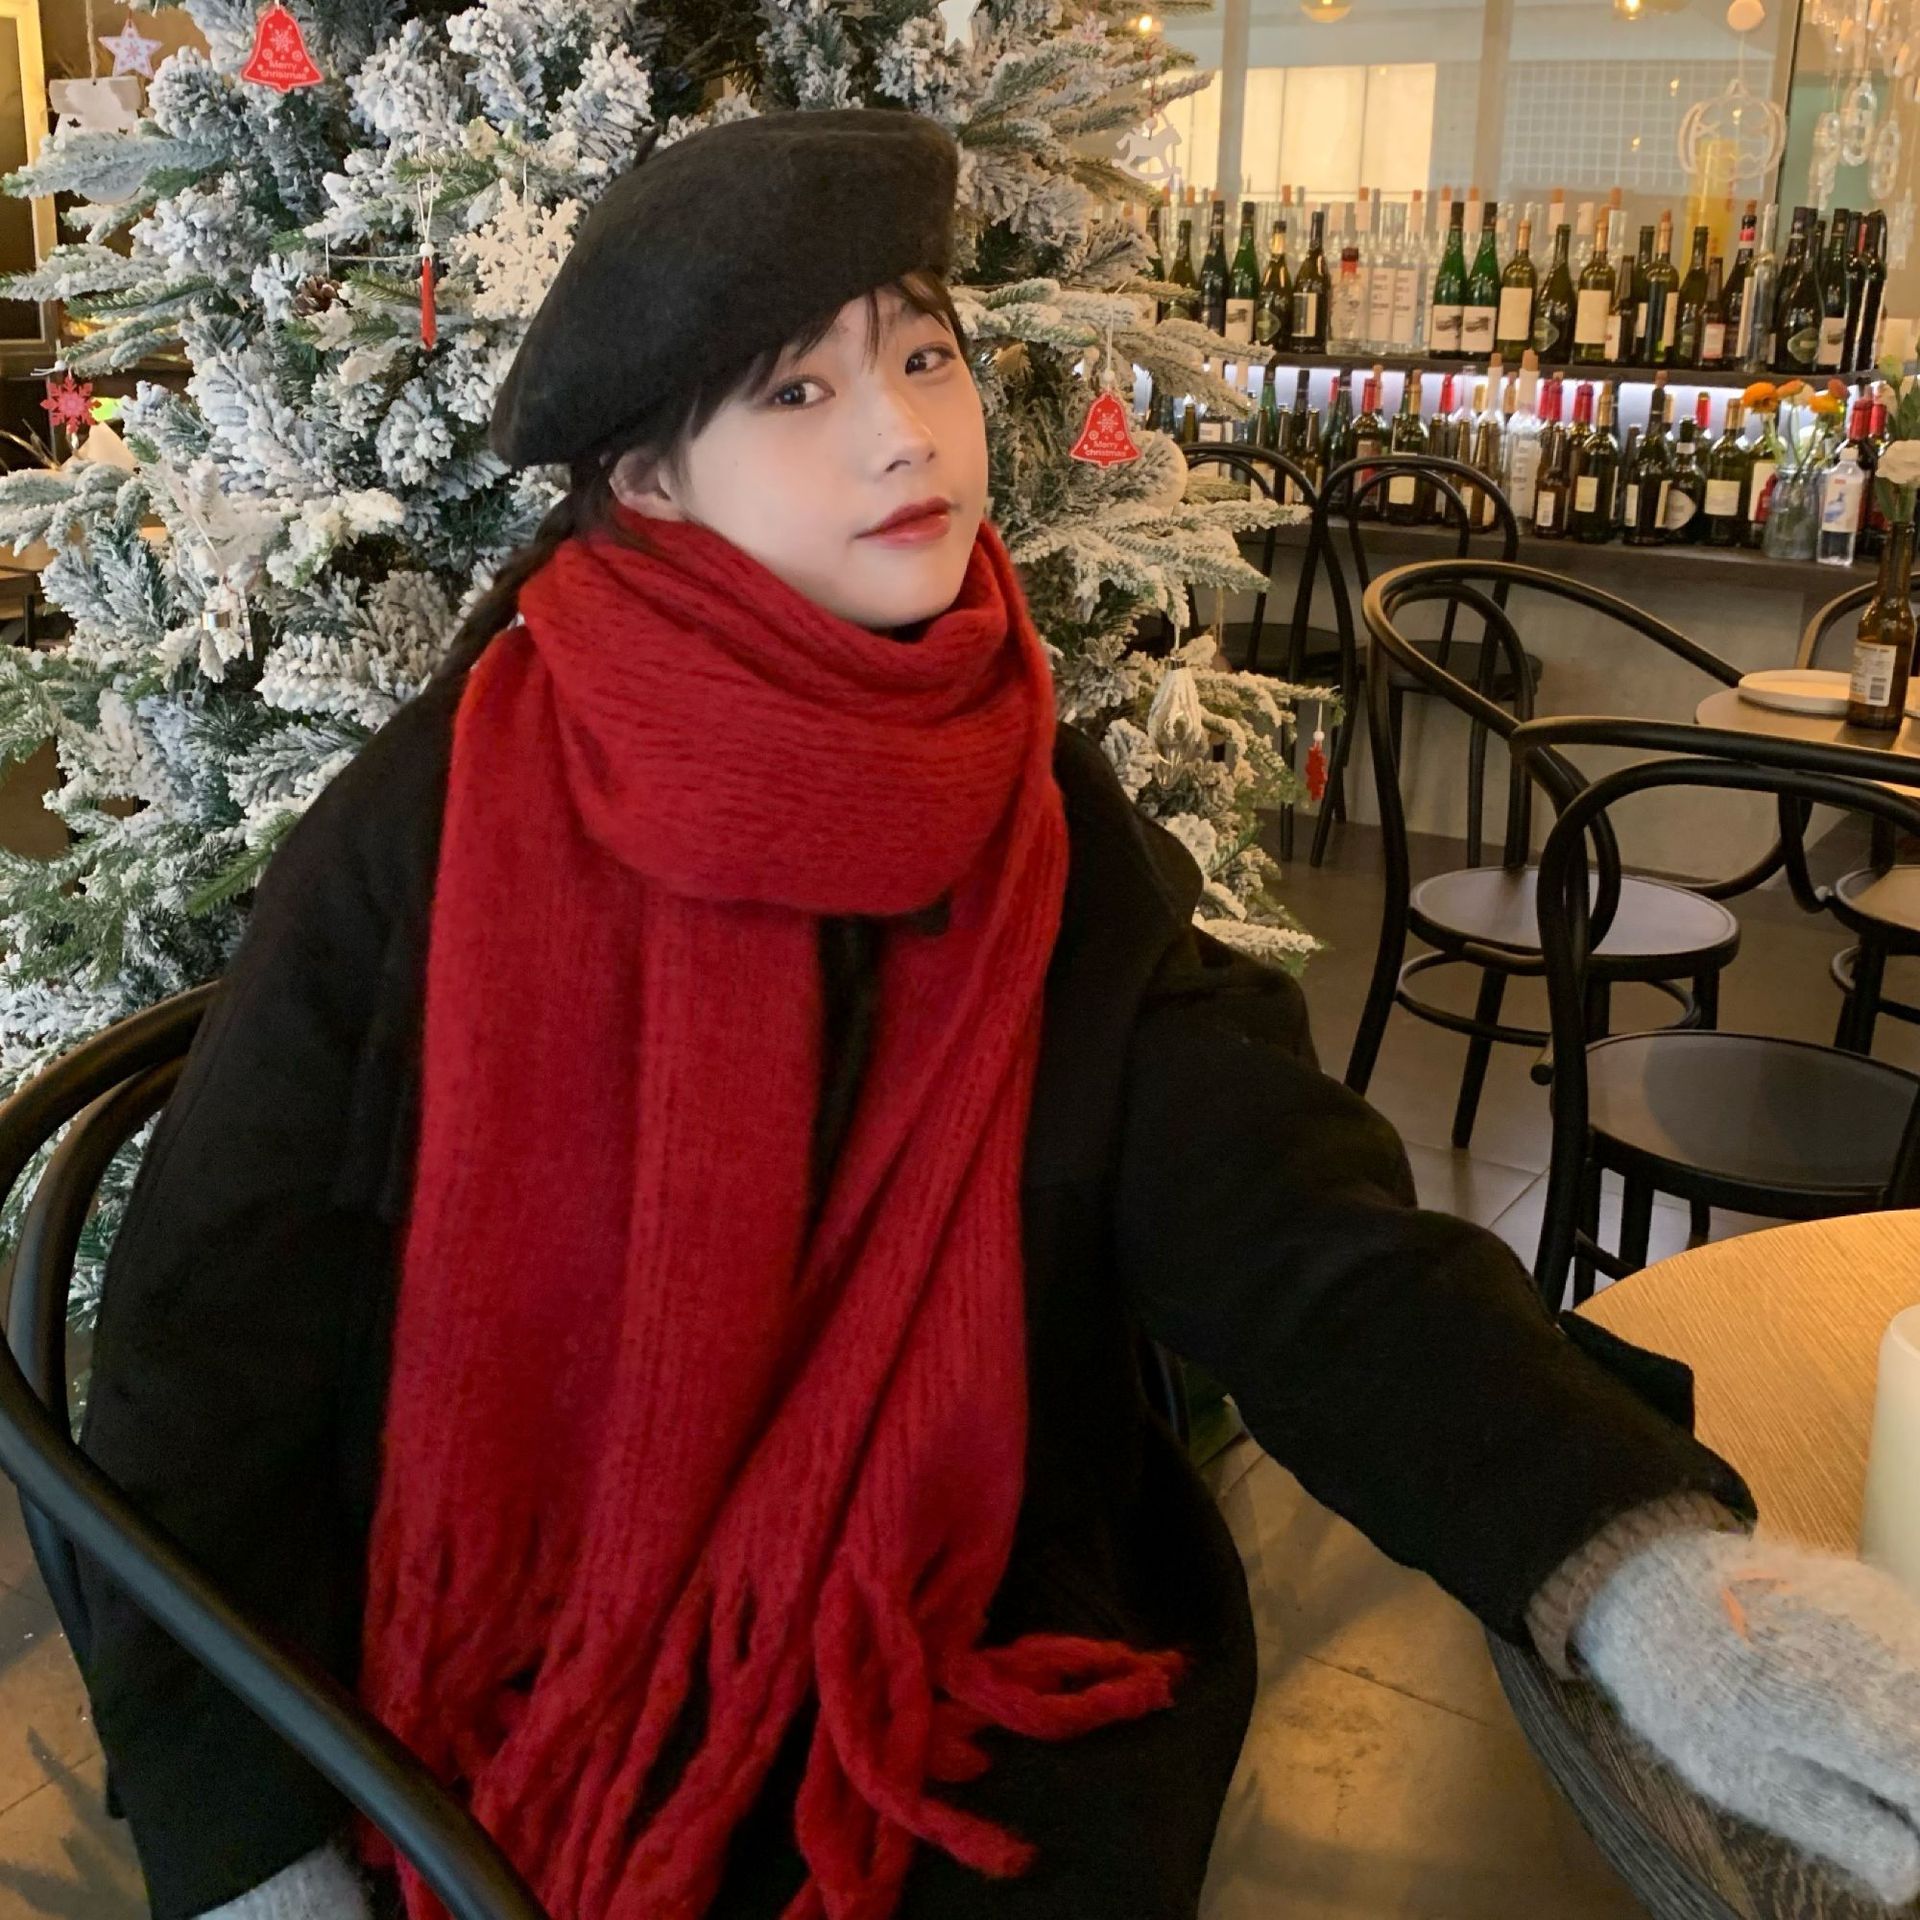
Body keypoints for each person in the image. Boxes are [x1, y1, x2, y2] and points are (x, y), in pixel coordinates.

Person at [70, 109, 1920, 1920]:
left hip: (959, 1659)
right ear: (650, 485)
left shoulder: (1023, 802)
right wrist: (251, 1856)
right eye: (797, 391)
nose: (904, 433)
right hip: (505, 1685)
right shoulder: (436, 823)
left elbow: (1287, 1223)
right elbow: (205, 1353)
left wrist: (1640, 1569)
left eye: (924, 356)